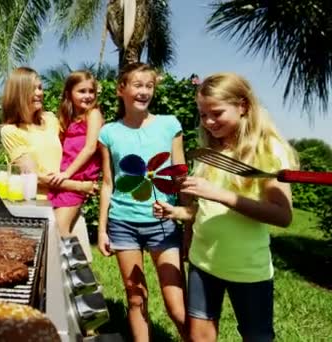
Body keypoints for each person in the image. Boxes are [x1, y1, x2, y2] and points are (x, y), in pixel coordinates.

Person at [153, 72, 299, 342]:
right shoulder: (209, 152)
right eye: (203, 114)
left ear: (243, 106)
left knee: (257, 337)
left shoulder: (268, 149)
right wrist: (178, 213)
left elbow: (283, 215)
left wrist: (220, 194)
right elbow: (206, 211)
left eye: (216, 113)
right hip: (203, 263)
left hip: (247, 270)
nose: (208, 122)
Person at [97, 62, 187, 341]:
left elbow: (180, 175)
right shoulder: (109, 133)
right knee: (136, 298)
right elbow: (108, 183)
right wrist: (102, 229)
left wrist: (186, 217)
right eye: (138, 85)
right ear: (121, 89)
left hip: (164, 223)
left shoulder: (170, 125)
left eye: (149, 86)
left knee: (176, 306)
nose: (144, 91)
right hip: (123, 224)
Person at [0, 67, 97, 201]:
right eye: (33, 89)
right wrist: (80, 186)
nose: (39, 93)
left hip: (66, 198)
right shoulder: (11, 131)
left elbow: (74, 146)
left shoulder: (50, 119)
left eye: (40, 88)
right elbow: (34, 177)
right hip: (38, 204)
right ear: (19, 93)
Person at [48, 70, 104, 237]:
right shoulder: (70, 118)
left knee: (58, 230)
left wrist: (66, 174)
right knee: (60, 229)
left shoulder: (93, 114)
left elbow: (90, 148)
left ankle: (70, 263)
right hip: (66, 181)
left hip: (77, 179)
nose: (87, 96)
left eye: (91, 91)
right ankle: (78, 263)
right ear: (69, 94)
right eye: (82, 91)